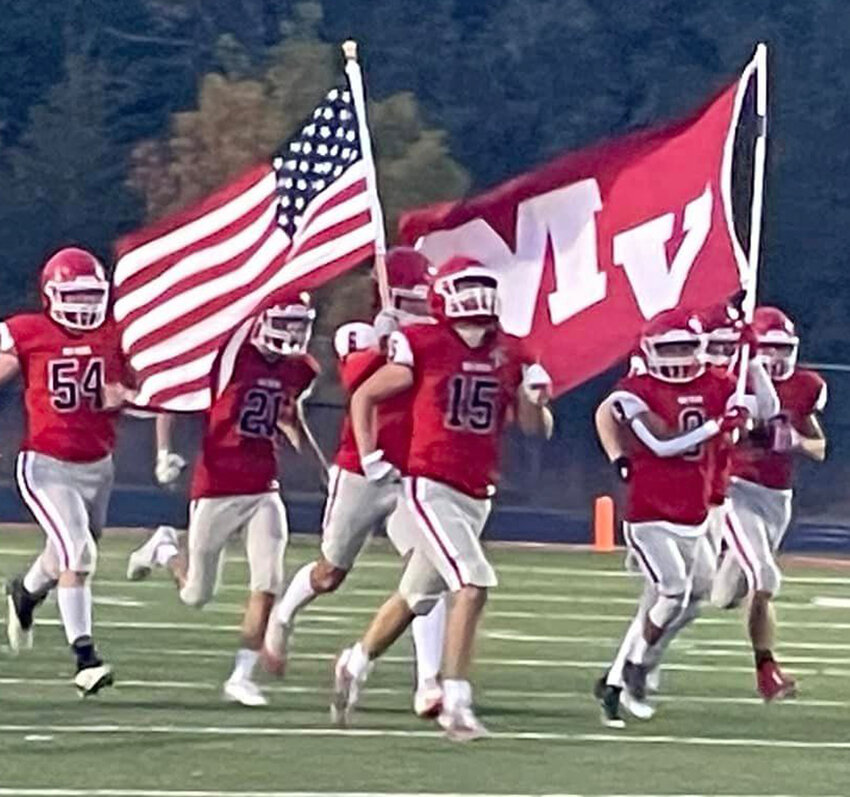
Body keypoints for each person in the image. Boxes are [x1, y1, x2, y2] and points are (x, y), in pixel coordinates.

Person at [330, 256, 554, 741]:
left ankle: (355, 660)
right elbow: (363, 395)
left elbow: (535, 431)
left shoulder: (512, 352)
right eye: (466, 286)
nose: (476, 296)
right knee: (472, 584)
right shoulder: (424, 342)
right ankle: (455, 701)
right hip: (431, 484)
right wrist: (370, 457)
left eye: (482, 285)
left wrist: (535, 399)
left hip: (478, 491)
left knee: (416, 595)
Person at [262, 248, 446, 719]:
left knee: (430, 571)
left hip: (413, 470)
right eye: (412, 298)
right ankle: (283, 614)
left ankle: (428, 682)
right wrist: (390, 340)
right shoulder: (357, 333)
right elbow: (359, 381)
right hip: (362, 468)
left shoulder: (432, 337)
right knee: (331, 574)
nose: (422, 307)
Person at [126, 299, 321, 706]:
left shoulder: (299, 368)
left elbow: (287, 414)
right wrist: (163, 450)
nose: (292, 332)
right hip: (216, 486)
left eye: (298, 324)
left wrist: (322, 467)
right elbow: (172, 396)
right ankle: (165, 549)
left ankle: (241, 676)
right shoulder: (227, 357)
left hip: (263, 486)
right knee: (196, 595)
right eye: (284, 322)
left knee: (268, 582)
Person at [593, 309, 754, 727]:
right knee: (672, 591)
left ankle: (625, 673)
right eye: (670, 347)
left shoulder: (719, 383)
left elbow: (749, 419)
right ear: (650, 350)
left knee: (694, 595)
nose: (679, 355)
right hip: (651, 511)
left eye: (687, 345)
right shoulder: (636, 390)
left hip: (697, 510)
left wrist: (750, 369)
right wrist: (719, 424)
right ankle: (633, 668)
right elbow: (661, 444)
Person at [3, 247, 133, 696]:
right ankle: (85, 658)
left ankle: (24, 591)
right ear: (50, 295)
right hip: (46, 464)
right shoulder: (28, 331)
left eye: (90, 294)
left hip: (98, 464)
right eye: (73, 294)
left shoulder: (115, 335)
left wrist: (124, 394)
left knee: (65, 555)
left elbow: (135, 387)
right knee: (79, 554)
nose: (83, 304)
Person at [710, 306, 827, 700]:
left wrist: (795, 440)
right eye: (769, 348)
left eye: (783, 348)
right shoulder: (733, 382)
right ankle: (768, 672)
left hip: (778, 500)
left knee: (726, 596)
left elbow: (820, 447)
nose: (777, 358)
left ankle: (715, 566)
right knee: (765, 577)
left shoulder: (805, 386)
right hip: (737, 491)